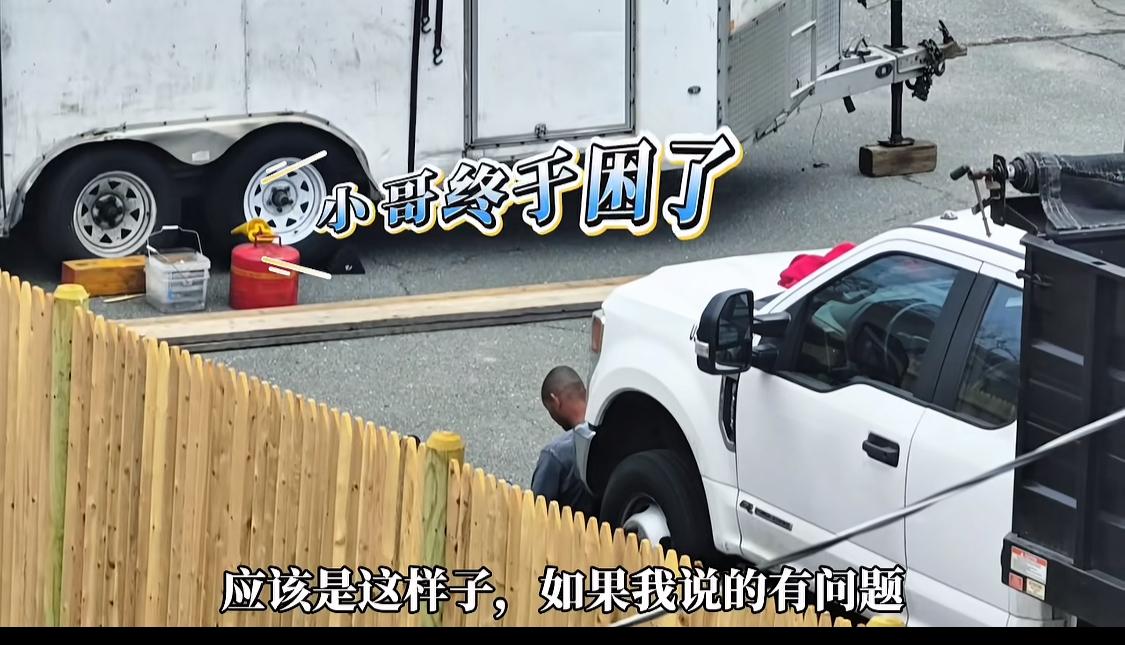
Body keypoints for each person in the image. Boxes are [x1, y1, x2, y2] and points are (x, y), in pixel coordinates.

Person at [530, 366, 597, 517]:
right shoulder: (615, 433)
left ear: (556, 401)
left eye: (550, 410)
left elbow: (535, 511)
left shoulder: (555, 455)